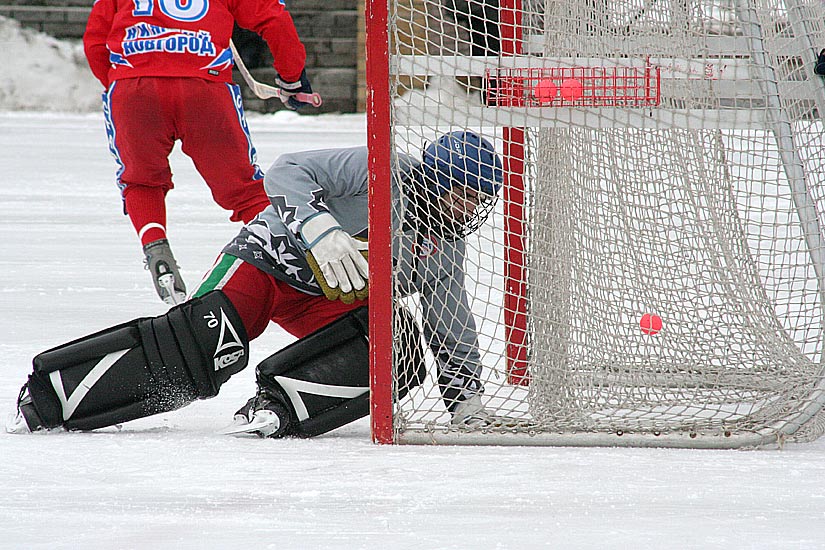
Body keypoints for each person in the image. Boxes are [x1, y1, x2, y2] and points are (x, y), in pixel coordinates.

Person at [6, 131, 503, 438]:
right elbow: (288, 171)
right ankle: (52, 395)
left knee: (401, 348)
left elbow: (450, 318)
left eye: (482, 199)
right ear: (438, 178)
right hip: (264, 265)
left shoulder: (442, 244)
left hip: (321, 303)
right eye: (466, 193)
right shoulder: (379, 169)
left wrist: (467, 400)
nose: (469, 208)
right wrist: (320, 228)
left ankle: (278, 409)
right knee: (197, 349)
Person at [83, 0, 315, 305]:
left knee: (141, 182)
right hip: (204, 87)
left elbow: (95, 42)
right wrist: (292, 77)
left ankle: (157, 250)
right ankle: (297, 261)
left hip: (133, 85)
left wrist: (122, 85)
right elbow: (273, 18)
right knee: (244, 190)